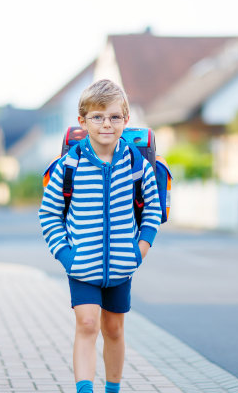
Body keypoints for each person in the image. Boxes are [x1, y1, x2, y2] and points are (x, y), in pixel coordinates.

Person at [39, 79, 161, 393]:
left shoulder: (137, 166)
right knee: (87, 324)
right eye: (97, 117)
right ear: (82, 121)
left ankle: (113, 389)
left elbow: (152, 211)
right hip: (82, 266)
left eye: (114, 117)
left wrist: (140, 249)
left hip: (122, 266)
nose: (106, 123)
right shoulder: (69, 166)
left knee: (114, 329)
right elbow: (49, 215)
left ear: (126, 120)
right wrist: (68, 255)